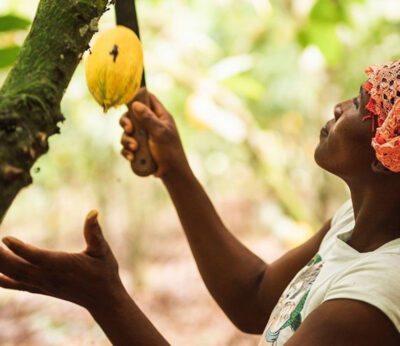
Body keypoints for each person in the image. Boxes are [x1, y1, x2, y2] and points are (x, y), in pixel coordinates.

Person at [0, 60, 400, 346]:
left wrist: (104, 298)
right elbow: (254, 298)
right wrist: (174, 170)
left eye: (359, 104)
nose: (339, 106)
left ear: (387, 157)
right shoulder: (352, 223)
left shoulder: (373, 297)